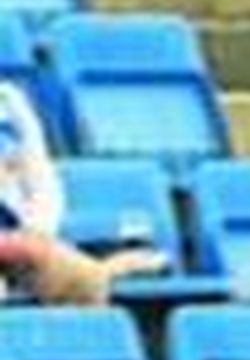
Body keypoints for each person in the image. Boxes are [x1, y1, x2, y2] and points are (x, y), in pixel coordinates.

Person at [0, 79, 166, 306]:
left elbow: (40, 191)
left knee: (82, 279)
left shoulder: (9, 103)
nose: (8, 162)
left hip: (24, 252)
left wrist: (34, 239)